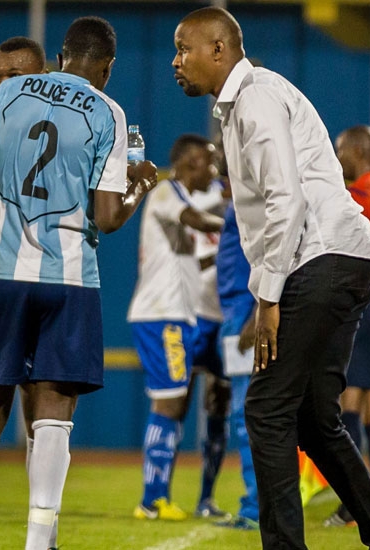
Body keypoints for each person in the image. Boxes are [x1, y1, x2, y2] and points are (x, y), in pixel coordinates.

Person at [172, 7, 370, 549]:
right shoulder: (243, 104)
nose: (176, 61)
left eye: (184, 48)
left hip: (321, 257)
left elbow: (286, 199)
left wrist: (267, 298)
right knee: (313, 420)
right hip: (341, 258)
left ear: (219, 49)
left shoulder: (255, 98)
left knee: (265, 407)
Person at [0, 16, 157, 550]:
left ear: (62, 55)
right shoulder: (108, 112)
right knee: (53, 410)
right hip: (68, 277)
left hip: (0, 270)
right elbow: (109, 215)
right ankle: (38, 540)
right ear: (107, 68)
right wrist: (140, 187)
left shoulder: (6, 95)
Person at [127, 133, 224, 521]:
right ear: (187, 164)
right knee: (168, 402)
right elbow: (198, 220)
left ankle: (159, 497)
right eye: (208, 162)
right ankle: (151, 500)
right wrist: (236, 224)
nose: (214, 171)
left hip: (176, 314)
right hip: (161, 314)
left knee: (174, 401)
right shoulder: (166, 192)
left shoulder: (178, 199)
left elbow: (194, 258)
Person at [324, 124, 370, 528]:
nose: (338, 158)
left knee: (347, 402)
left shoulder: (363, 191)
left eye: (340, 150)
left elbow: (340, 239)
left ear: (356, 150)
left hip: (365, 303)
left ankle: (354, 502)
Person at [187, 176, 233, 520]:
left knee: (219, 405)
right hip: (195, 316)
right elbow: (194, 263)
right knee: (175, 403)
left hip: (227, 319)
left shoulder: (253, 208)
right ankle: (156, 495)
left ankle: (206, 496)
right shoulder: (203, 208)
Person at [214, 200, 259, 531]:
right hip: (237, 311)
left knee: (249, 418)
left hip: (246, 313)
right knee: (245, 415)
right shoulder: (239, 197)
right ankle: (258, 504)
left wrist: (258, 312)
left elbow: (273, 252)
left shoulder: (251, 196)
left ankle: (257, 507)